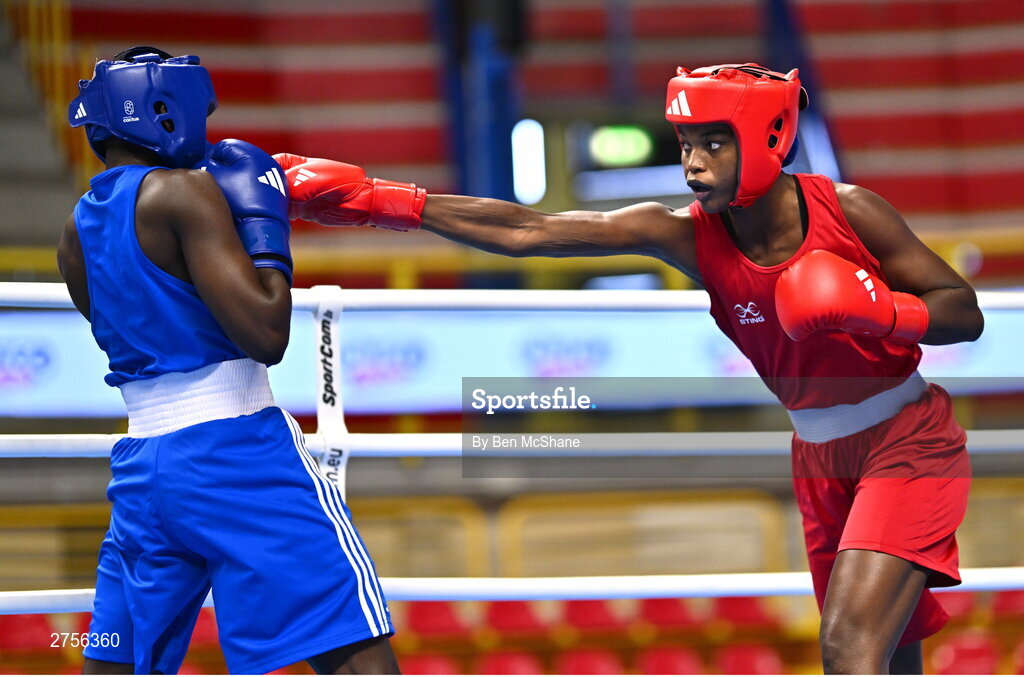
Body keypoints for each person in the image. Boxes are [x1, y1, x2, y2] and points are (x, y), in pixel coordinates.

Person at [275, 63, 984, 674]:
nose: (694, 164)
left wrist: (883, 312)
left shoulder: (850, 212)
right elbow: (531, 230)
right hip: (819, 459)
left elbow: (964, 309)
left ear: (770, 138)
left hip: (907, 438)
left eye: (713, 142)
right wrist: (378, 201)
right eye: (685, 144)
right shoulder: (682, 233)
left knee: (848, 644)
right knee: (887, 655)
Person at [57, 46, 398, 675]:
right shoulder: (182, 193)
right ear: (164, 109)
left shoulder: (75, 231)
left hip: (142, 469)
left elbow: (143, 330)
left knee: (115, 662)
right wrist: (264, 229)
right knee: (351, 644)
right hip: (235, 453)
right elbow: (267, 334)